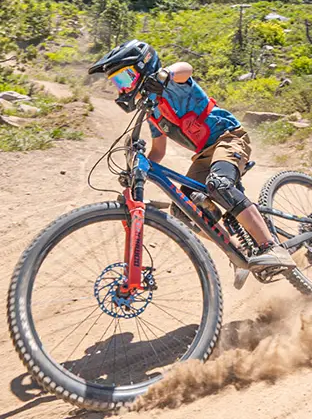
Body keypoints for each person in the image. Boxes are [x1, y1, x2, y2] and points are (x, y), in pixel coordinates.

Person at [90, 39, 295, 271]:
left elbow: (186, 68)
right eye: (117, 83)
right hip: (204, 157)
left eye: (124, 78)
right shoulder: (154, 111)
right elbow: (159, 150)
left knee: (219, 184)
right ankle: (241, 251)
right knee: (182, 209)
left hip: (228, 138)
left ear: (143, 66)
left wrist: (165, 74)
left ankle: (272, 248)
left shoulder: (171, 83)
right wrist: (139, 170)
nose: (122, 87)